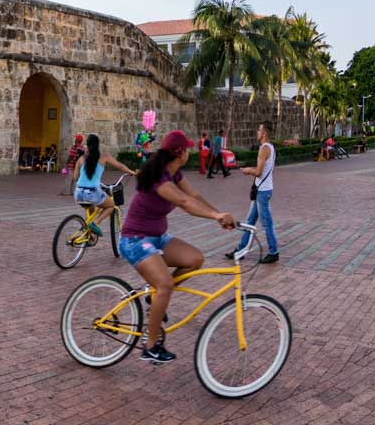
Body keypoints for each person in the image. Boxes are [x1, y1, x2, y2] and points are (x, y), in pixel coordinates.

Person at [119, 130, 236, 364]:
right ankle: (150, 346)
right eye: (188, 149)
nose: (190, 152)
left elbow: (194, 195)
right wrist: (215, 216)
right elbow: (184, 202)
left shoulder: (175, 174)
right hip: (134, 240)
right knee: (165, 284)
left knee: (195, 259)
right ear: (180, 153)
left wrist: (220, 213)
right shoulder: (159, 179)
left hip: (157, 237)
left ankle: (155, 299)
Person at [227, 120, 280, 264]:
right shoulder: (270, 147)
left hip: (262, 192)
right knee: (250, 221)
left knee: (266, 222)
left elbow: (258, 172)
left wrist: (247, 170)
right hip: (262, 190)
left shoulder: (264, 148)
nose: (257, 132)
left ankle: (273, 251)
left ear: (263, 133)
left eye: (258, 129)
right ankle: (241, 250)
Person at [74, 134, 136, 234]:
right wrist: (131, 172)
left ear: (87, 145)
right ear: (98, 145)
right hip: (92, 191)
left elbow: (75, 177)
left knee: (91, 208)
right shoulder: (104, 156)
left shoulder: (81, 158)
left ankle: (88, 232)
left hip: (78, 192)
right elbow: (120, 166)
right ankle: (96, 223)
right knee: (111, 205)